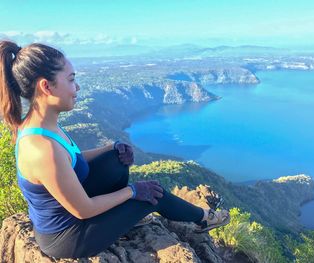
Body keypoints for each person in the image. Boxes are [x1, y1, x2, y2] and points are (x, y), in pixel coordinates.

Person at [0, 40, 230, 259]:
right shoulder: (42, 148)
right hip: (69, 236)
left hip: (70, 215)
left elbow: (70, 161)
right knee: (153, 195)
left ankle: (124, 216)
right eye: (71, 80)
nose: (76, 87)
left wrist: (112, 148)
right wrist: (132, 191)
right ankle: (203, 219)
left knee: (115, 159)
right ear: (46, 86)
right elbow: (84, 210)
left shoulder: (42, 126)